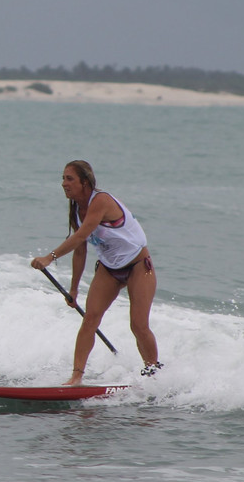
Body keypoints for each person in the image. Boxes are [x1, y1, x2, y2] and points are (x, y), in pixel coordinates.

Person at [31, 160, 161, 385]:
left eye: (69, 179)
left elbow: (81, 236)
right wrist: (73, 289)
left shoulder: (101, 200)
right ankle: (76, 377)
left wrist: (49, 257)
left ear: (85, 182)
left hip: (138, 266)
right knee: (90, 319)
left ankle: (154, 376)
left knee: (138, 325)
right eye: (63, 178)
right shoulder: (76, 209)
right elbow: (80, 250)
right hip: (109, 269)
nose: (63, 183)